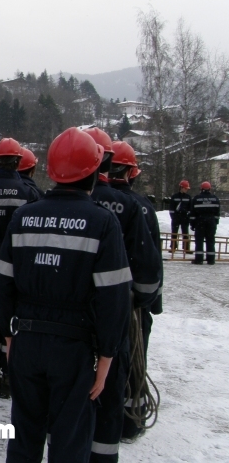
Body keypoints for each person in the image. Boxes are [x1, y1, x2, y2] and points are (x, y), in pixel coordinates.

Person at [0, 127, 131, 462]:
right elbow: (114, 297)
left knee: (24, 435)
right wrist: (108, 355)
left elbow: (0, 282)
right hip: (73, 346)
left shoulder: (25, 217)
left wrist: (10, 336)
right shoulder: (102, 222)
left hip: (27, 339)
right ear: (94, 172)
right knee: (69, 439)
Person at [88, 136, 161, 463]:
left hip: (75, 311)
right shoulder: (137, 207)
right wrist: (145, 305)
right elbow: (149, 264)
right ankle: (125, 425)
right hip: (122, 307)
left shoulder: (56, 202)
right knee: (121, 368)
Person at [0, 137, 38, 397]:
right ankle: (8, 375)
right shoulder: (28, 193)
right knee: (11, 323)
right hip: (17, 268)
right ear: (18, 161)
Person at [115, 165, 162, 441]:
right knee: (132, 361)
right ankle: (130, 421)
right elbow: (150, 260)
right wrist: (150, 302)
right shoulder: (140, 207)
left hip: (92, 305)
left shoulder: (90, 200)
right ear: (131, 173)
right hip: (132, 305)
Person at [190, 181, 221, 265]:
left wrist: (192, 224)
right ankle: (211, 260)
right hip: (211, 222)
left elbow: (192, 213)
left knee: (199, 241)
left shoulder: (196, 199)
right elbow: (217, 213)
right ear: (210, 188)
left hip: (200, 222)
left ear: (201, 189)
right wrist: (215, 223)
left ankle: (199, 259)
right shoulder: (215, 198)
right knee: (210, 240)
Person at [169, 180, 192, 253]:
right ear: (181, 188)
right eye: (185, 188)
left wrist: (188, 216)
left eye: (187, 189)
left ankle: (186, 248)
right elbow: (171, 208)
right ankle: (173, 247)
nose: (186, 190)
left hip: (185, 218)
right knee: (174, 233)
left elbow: (190, 208)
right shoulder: (174, 197)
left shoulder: (188, 197)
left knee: (185, 233)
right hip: (176, 217)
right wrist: (173, 217)